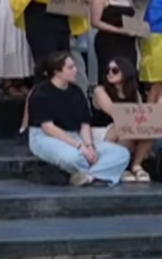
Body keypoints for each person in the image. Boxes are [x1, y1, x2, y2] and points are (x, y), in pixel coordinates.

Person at [26, 52, 131, 186]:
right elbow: (48, 127)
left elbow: (84, 124)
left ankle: (89, 177)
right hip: (47, 137)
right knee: (74, 157)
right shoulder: (41, 92)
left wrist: (89, 146)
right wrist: (80, 146)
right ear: (57, 71)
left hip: (75, 135)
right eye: (70, 68)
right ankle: (104, 173)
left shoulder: (76, 92)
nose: (75, 70)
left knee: (121, 153)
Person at [90, 58, 151, 183]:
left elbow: (140, 114)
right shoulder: (100, 91)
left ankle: (136, 165)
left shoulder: (134, 93)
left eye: (115, 70)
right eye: (108, 70)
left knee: (149, 129)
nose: (110, 73)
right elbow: (112, 111)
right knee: (122, 126)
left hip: (126, 130)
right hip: (102, 131)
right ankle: (120, 166)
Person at [89, 0, 140, 82]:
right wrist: (118, 30)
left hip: (128, 42)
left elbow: (133, 16)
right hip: (109, 41)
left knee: (128, 74)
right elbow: (95, 21)